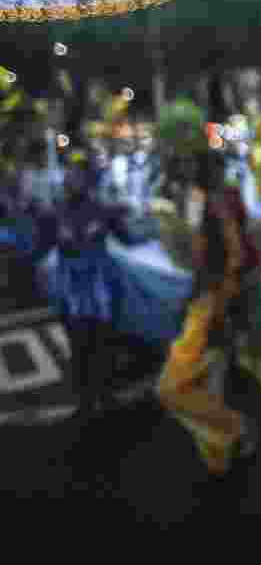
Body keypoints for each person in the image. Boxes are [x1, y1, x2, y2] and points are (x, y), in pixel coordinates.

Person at [156, 149, 261, 475]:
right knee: (207, 382)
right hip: (211, 303)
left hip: (215, 304)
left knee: (188, 385)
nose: (186, 169)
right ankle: (222, 452)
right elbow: (200, 253)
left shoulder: (213, 200)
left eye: (192, 164)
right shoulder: (201, 199)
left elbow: (230, 255)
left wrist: (223, 301)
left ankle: (231, 441)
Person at [31, 150, 149, 424]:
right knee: (79, 345)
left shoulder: (103, 209)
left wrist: (158, 231)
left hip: (100, 291)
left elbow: (129, 237)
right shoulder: (54, 214)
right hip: (71, 292)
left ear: (88, 181)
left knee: (102, 343)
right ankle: (86, 401)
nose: (73, 181)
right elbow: (39, 249)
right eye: (70, 176)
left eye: (79, 176)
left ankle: (104, 398)